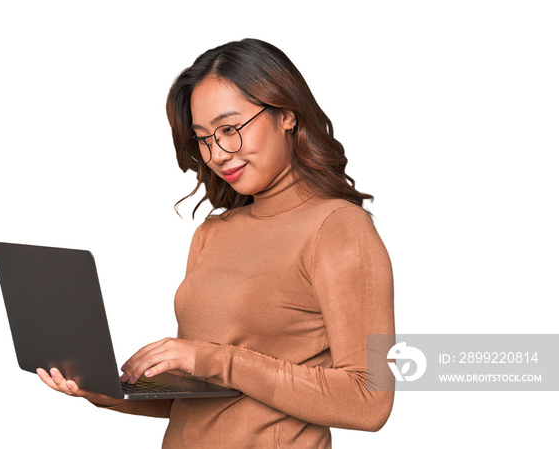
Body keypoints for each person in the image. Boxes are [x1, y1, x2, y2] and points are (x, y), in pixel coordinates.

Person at [36, 38, 395, 448]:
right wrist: (107, 393)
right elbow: (203, 399)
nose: (217, 154)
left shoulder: (339, 228)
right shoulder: (212, 233)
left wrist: (209, 358)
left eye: (229, 129)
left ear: (287, 117)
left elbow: (371, 400)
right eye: (204, 138)